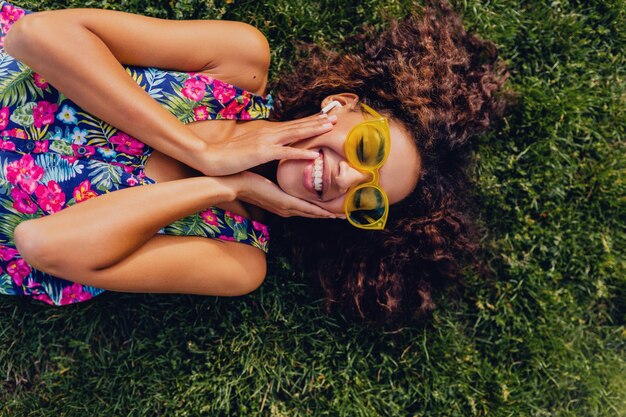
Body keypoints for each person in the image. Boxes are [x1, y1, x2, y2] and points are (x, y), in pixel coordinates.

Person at [0, 0, 508, 323]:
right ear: (342, 104)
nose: (346, 177)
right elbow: (33, 36)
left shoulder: (236, 260)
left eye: (366, 198)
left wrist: (227, 187)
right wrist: (198, 150)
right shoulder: (237, 64)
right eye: (367, 149)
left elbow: (41, 244)